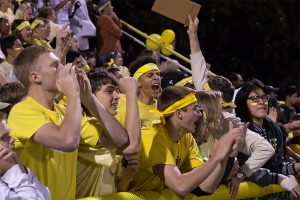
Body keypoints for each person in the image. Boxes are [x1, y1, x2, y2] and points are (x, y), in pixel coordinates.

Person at [7, 45, 129, 199]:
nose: (64, 69)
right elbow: (68, 141)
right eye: (55, 66)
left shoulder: (64, 112)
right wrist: (73, 93)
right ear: (35, 77)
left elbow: (120, 139)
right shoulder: (22, 111)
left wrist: (88, 98)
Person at [129, 86, 246, 197]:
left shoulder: (187, 138)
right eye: (196, 109)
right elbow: (180, 187)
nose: (200, 114)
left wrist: (225, 156)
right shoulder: (152, 136)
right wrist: (216, 157)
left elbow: (206, 187)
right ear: (179, 113)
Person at [76, 69, 140, 197]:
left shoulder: (110, 128)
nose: (117, 96)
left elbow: (113, 190)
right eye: (109, 91)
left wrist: (127, 177)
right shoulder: (83, 124)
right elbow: (131, 146)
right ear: (89, 94)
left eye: (117, 91)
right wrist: (131, 94)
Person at [116, 56, 161, 129]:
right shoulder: (123, 104)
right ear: (138, 82)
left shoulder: (162, 108)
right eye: (150, 75)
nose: (156, 78)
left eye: (158, 74)